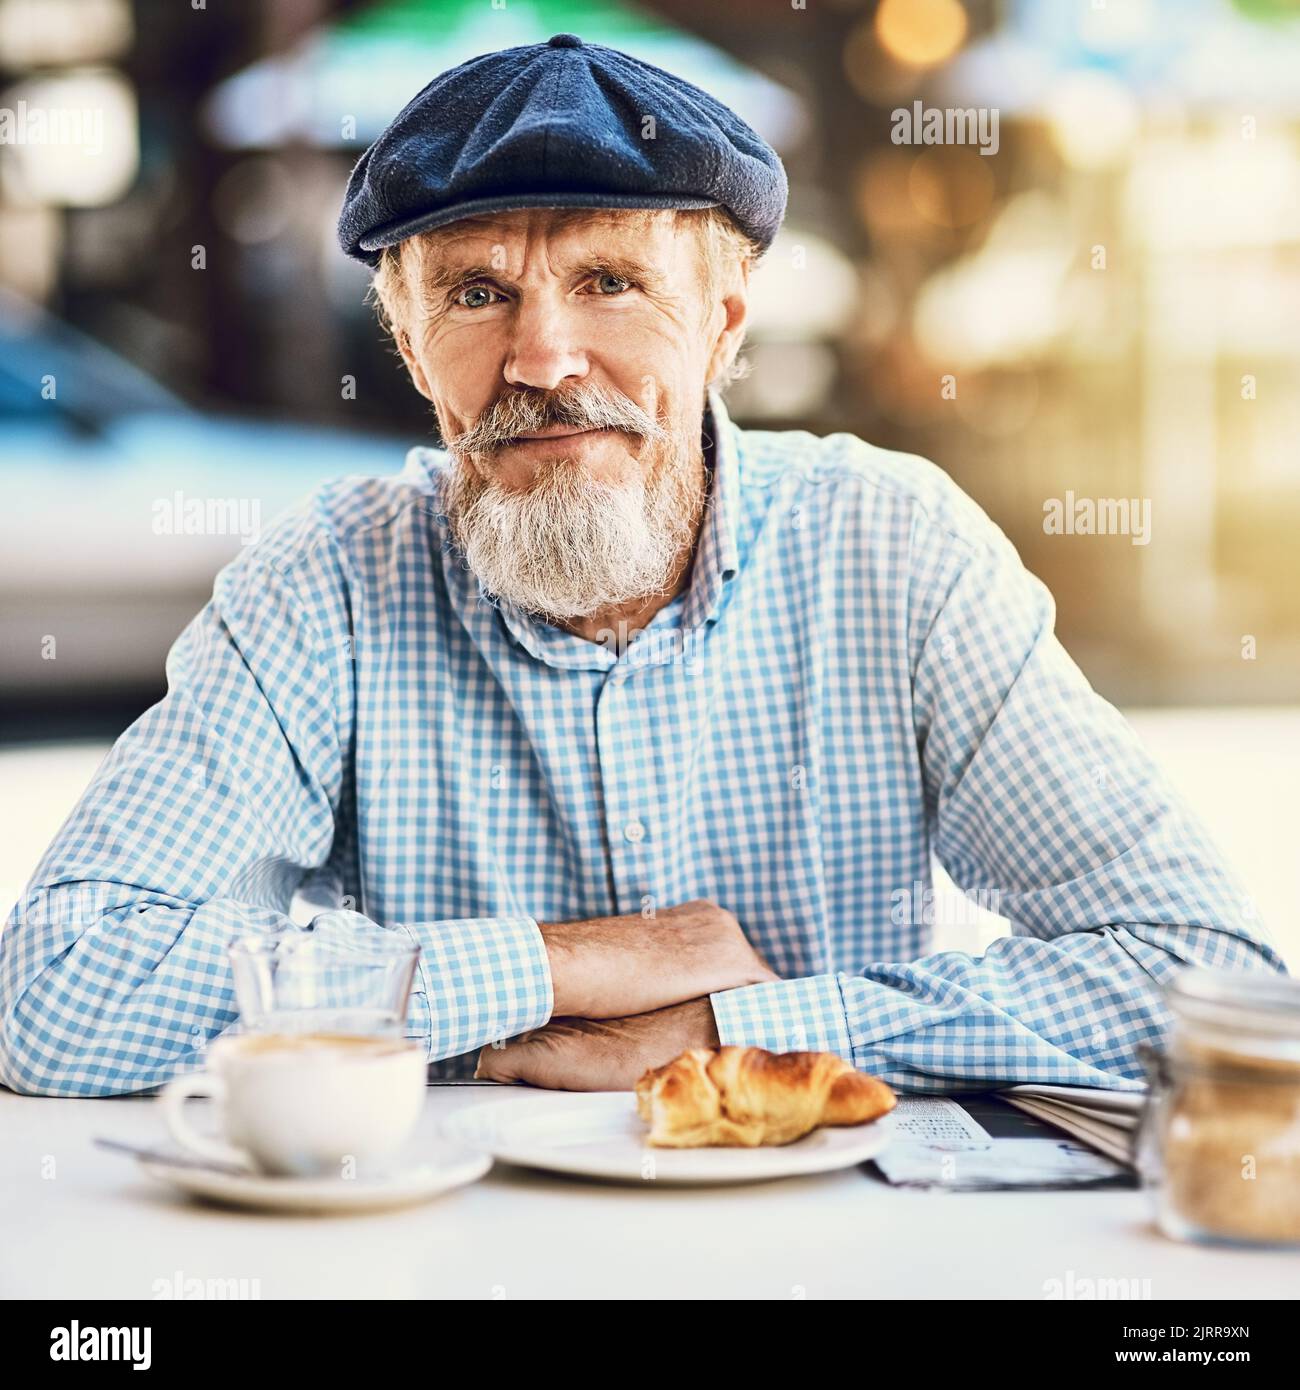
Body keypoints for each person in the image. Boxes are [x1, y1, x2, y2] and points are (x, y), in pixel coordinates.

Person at [0, 36, 1283, 1097]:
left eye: (610, 280)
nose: (543, 357)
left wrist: (741, 1029)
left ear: (724, 321)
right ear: (404, 336)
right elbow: (53, 999)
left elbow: (1203, 981)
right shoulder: (327, 579)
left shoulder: (892, 546)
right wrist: (566, 964)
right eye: (473, 293)